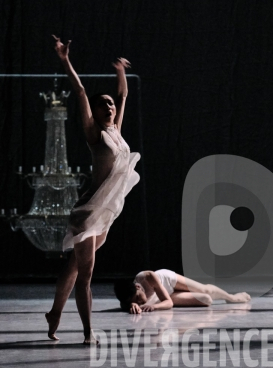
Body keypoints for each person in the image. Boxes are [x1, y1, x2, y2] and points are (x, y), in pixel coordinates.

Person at [45, 35, 141, 344]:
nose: (109, 106)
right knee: (85, 273)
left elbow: (124, 96)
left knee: (74, 266)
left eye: (110, 103)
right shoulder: (95, 134)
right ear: (96, 113)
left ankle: (54, 314)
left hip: (107, 214)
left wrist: (121, 74)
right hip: (88, 213)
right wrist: (64, 60)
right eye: (103, 105)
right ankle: (88, 333)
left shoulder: (117, 131)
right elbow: (81, 91)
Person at [114, 269, 251, 314]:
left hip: (168, 281)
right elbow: (125, 305)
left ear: (138, 287)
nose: (139, 302)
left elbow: (167, 302)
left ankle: (232, 297)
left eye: (138, 298)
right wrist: (131, 306)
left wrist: (153, 306)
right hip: (168, 296)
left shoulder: (148, 277)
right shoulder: (126, 301)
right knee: (206, 299)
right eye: (135, 302)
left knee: (205, 289)